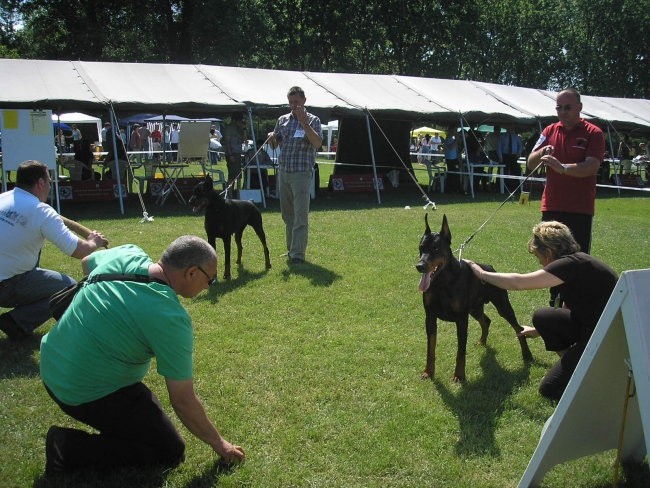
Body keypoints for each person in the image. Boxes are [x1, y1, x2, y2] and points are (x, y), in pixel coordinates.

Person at [40, 235, 245, 475]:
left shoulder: (127, 253)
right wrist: (221, 445)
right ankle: (67, 447)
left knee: (145, 419)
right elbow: (182, 400)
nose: (209, 285)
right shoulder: (170, 318)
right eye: (209, 279)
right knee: (167, 450)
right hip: (82, 390)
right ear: (191, 273)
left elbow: (87, 261)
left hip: (51, 363)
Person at [466, 221, 618, 401]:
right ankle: (575, 364)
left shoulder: (568, 265)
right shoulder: (577, 261)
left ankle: (590, 376)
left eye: (539, 257)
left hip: (607, 336)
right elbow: (568, 307)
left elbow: (518, 283)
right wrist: (538, 331)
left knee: (549, 389)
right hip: (592, 325)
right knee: (544, 317)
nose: (540, 264)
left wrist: (481, 273)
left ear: (549, 252)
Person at [0, 160, 108, 340]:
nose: (50, 186)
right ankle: (17, 322)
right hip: (7, 285)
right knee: (69, 287)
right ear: (41, 183)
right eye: (49, 181)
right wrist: (94, 242)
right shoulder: (42, 211)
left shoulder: (3, 198)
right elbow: (78, 251)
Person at [527, 87, 605, 256]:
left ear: (580, 107)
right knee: (548, 256)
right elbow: (530, 163)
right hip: (551, 206)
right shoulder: (549, 131)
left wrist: (562, 168)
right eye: (559, 107)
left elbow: (592, 166)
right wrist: (541, 152)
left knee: (577, 258)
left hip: (579, 208)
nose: (563, 111)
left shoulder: (594, 133)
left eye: (568, 107)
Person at [268, 86, 322, 264]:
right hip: (284, 172)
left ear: (304, 100)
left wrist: (304, 123)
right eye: (290, 102)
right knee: (287, 215)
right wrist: (272, 139)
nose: (293, 105)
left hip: (301, 173)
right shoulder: (282, 120)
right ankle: (291, 249)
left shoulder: (313, 120)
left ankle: (298, 254)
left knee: (300, 216)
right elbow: (275, 145)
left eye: (296, 102)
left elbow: (317, 143)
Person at [222, 112, 246, 197]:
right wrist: (230, 155)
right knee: (232, 176)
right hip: (232, 154)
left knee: (238, 176)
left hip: (238, 154)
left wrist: (244, 129)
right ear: (235, 120)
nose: (241, 122)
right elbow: (227, 142)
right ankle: (229, 195)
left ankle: (238, 195)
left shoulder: (239, 128)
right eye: (240, 121)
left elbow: (245, 140)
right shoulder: (229, 128)